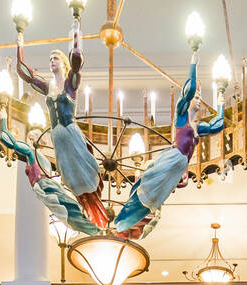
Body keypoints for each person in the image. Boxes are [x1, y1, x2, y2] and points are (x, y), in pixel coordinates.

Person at [110, 48, 225, 238]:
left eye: (200, 98)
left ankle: (129, 224)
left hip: (179, 168)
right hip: (173, 159)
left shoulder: (197, 127)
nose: (198, 101)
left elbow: (217, 125)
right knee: (147, 191)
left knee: (154, 199)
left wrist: (220, 100)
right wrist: (193, 63)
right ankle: (121, 222)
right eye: (197, 97)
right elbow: (188, 91)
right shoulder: (182, 118)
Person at [16, 19, 108, 229]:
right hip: (58, 139)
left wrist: (76, 36)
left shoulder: (70, 86)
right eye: (50, 58)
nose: (52, 61)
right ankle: (88, 214)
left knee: (86, 177)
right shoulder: (48, 88)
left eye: (56, 57)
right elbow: (24, 73)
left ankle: (97, 216)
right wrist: (20, 41)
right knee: (73, 182)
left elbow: (77, 63)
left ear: (64, 63)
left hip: (71, 134)